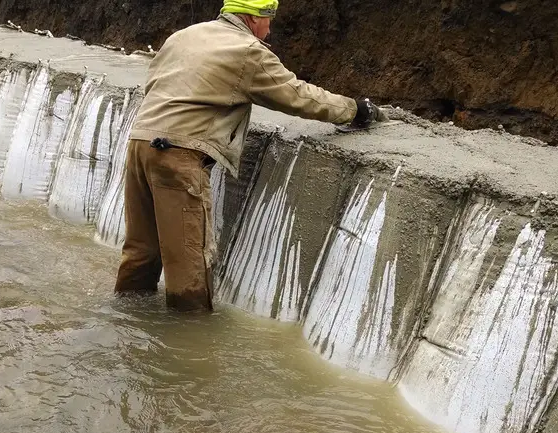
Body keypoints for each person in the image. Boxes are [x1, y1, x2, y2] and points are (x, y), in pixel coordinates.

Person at [114, 0, 385, 312]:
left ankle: (126, 321)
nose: (269, 31)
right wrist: (354, 109)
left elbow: (154, 86)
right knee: (188, 264)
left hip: (139, 144)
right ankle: (186, 345)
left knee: (141, 252)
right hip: (177, 156)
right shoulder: (247, 51)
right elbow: (298, 96)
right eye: (269, 21)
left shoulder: (183, 36)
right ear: (254, 18)